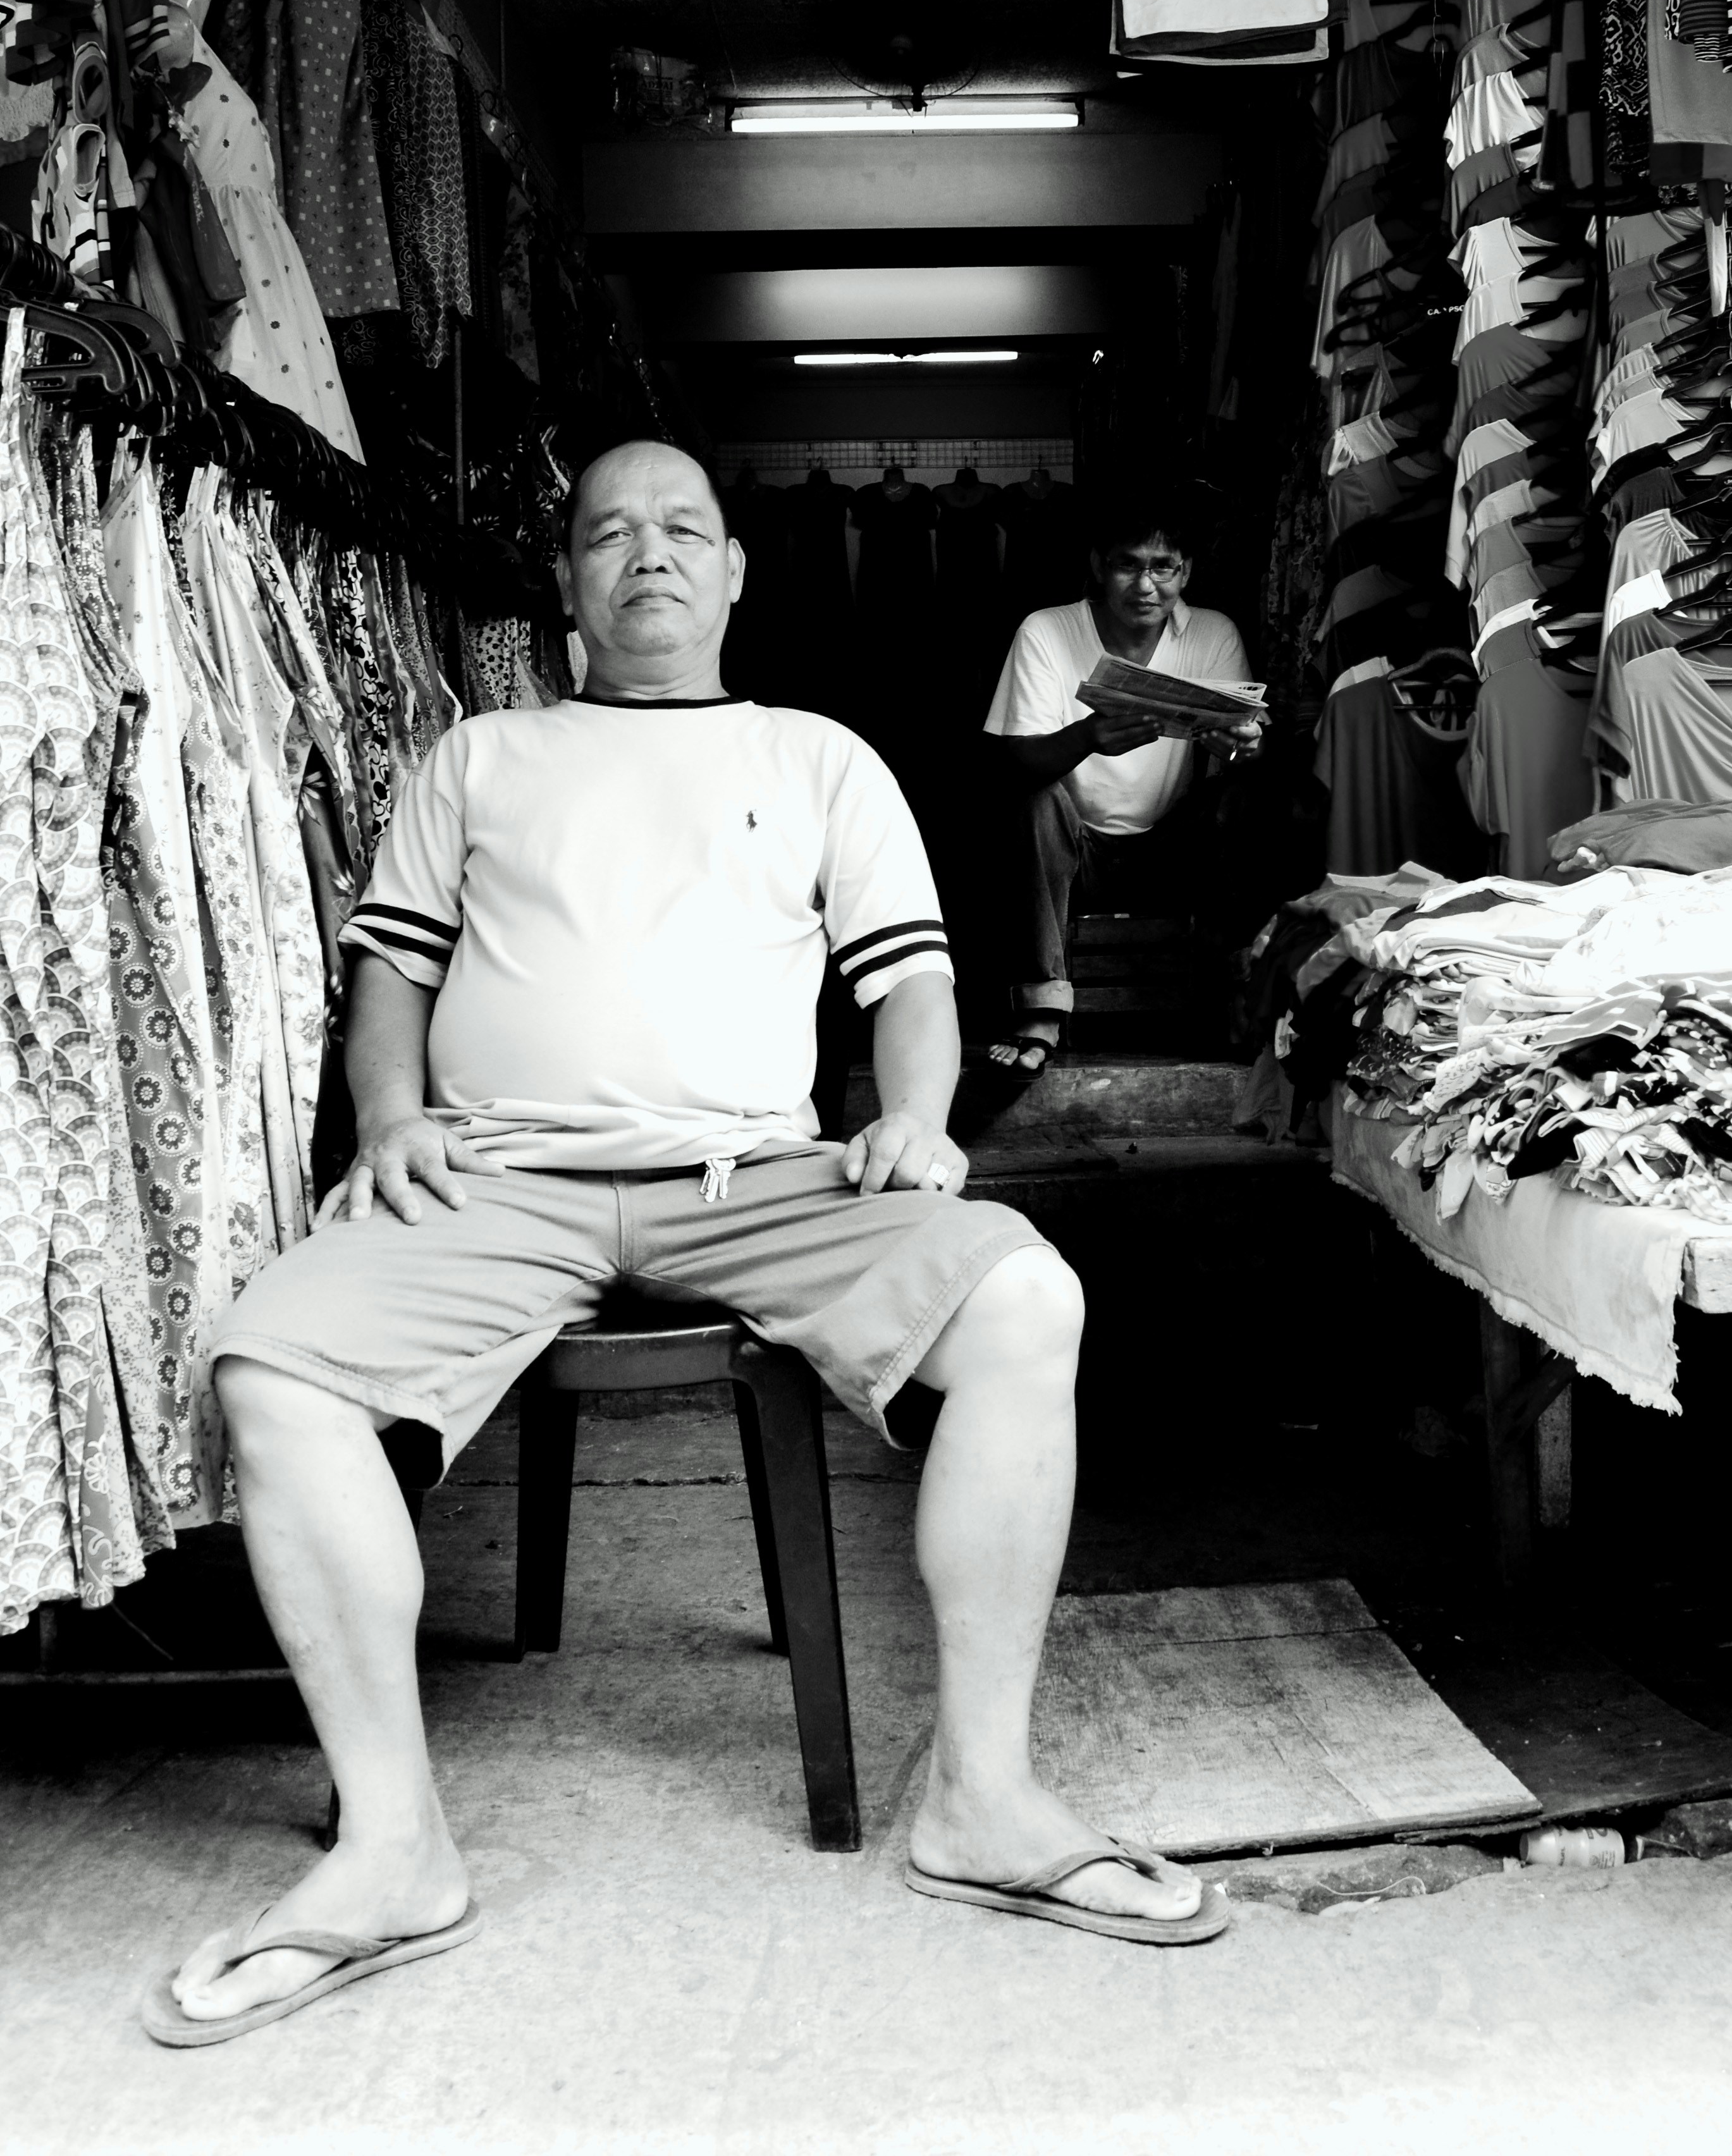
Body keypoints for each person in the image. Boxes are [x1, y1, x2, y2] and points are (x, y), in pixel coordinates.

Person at [144, 441, 1224, 2048]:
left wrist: (917, 1116)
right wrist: (389, 1120)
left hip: (760, 1179)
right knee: (269, 1363)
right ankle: (391, 1850)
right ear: (568, 584)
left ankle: (982, 1798)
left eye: (680, 528)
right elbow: (394, 974)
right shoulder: (477, 756)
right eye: (605, 533)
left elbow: (906, 980)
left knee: (1018, 1296)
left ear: (731, 570)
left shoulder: (816, 758)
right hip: (505, 1179)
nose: (644, 554)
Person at [983, 481, 1257, 1076]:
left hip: (1170, 843)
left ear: (1186, 572)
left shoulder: (1213, 634)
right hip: (1076, 851)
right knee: (1035, 800)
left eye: (1163, 568)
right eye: (1128, 567)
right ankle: (1042, 1007)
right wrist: (1085, 736)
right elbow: (1013, 762)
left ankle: (1233, 994)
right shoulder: (1048, 631)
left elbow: (1241, 748)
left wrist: (1239, 744)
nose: (1145, 585)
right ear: (1097, 568)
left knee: (1242, 799)